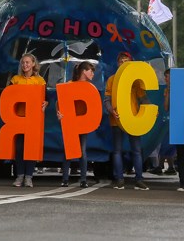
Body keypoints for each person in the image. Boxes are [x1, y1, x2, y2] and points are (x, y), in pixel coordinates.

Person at [105, 51, 148, 190]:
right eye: (121, 61)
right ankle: (119, 179)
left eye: (126, 61)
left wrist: (150, 109)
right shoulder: (112, 79)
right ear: (118, 64)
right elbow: (106, 100)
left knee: (136, 150)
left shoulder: (135, 81)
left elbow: (143, 98)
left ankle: (139, 179)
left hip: (133, 119)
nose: (123, 63)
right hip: (116, 119)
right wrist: (112, 110)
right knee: (117, 150)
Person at [10, 53, 47, 187]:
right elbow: (8, 98)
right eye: (23, 62)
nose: (25, 65)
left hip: (33, 119)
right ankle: (19, 176)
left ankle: (29, 177)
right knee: (19, 148)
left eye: (27, 62)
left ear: (33, 64)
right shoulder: (15, 79)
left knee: (30, 147)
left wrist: (45, 103)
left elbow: (44, 99)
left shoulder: (40, 81)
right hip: (18, 118)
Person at [58, 60, 96, 188]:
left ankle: (83, 179)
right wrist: (59, 113)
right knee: (68, 150)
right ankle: (64, 178)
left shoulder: (89, 88)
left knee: (82, 151)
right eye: (91, 71)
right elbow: (60, 101)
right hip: (70, 122)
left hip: (83, 122)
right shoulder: (70, 84)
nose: (93, 74)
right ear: (84, 71)